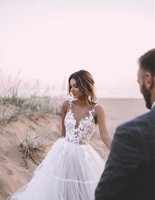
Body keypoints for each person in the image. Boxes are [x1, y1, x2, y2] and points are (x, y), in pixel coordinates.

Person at [7, 70, 112, 200]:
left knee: (81, 189)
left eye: (76, 86)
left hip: (83, 156)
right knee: (60, 186)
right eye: (71, 86)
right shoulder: (66, 105)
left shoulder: (98, 109)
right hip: (63, 152)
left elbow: (105, 136)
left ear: (86, 85)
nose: (72, 89)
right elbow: (63, 134)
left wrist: (120, 151)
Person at [95, 49, 155, 200]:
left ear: (148, 80)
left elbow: (105, 195)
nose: (140, 88)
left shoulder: (131, 133)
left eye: (139, 82)